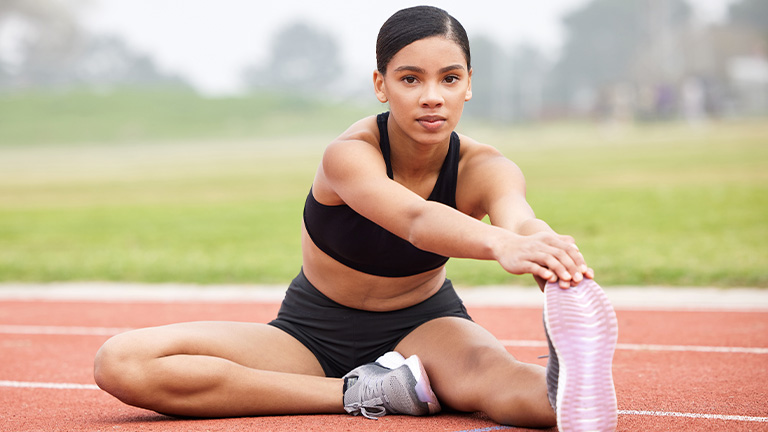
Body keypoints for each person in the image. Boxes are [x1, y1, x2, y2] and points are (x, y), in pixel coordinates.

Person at [93, 6, 618, 431]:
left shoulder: (487, 167)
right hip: (308, 333)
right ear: (381, 84)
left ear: (468, 85)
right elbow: (412, 218)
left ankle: (569, 377)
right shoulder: (348, 155)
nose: (432, 96)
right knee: (121, 362)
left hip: (425, 327)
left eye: (449, 78)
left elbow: (520, 219)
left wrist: (545, 249)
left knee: (536, 402)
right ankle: (363, 391)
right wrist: (500, 245)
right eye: (410, 79)